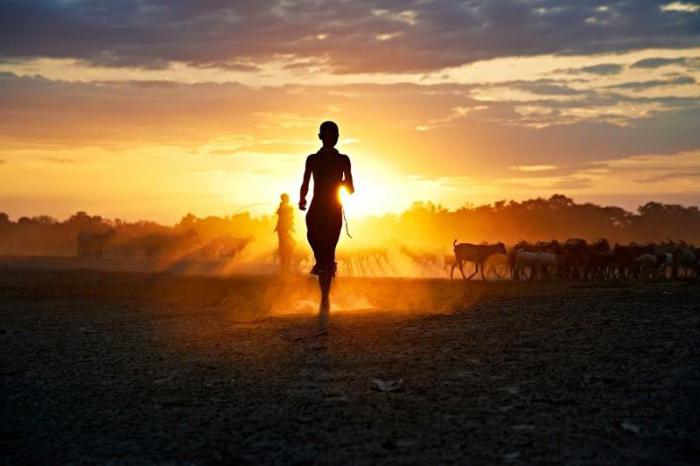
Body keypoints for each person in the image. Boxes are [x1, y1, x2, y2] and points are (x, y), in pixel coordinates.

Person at [299, 121, 354, 313]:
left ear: (320, 137)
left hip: (317, 209)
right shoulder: (343, 160)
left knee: (323, 253)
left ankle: (324, 297)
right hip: (331, 209)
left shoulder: (313, 159)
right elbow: (351, 189)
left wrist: (302, 200)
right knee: (327, 253)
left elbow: (305, 184)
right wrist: (340, 184)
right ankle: (324, 296)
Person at [274, 193, 295, 271]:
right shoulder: (287, 208)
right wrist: (291, 227)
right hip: (284, 229)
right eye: (287, 198)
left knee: (286, 246)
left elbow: (284, 219)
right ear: (285, 199)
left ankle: (284, 265)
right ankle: (285, 265)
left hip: (283, 229)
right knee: (288, 246)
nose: (288, 199)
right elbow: (287, 218)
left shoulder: (282, 208)